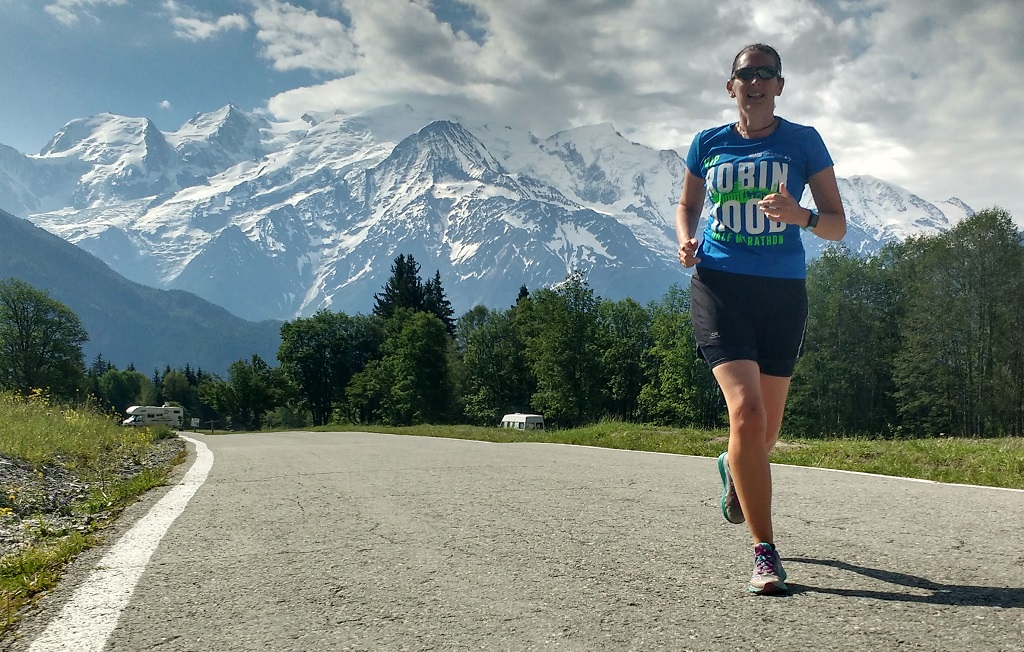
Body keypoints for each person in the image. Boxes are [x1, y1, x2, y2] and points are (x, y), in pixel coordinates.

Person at [675, 44, 847, 594]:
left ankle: (734, 469)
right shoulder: (708, 143)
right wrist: (685, 240)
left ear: (779, 86)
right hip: (720, 285)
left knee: (763, 434)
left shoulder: (803, 141)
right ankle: (765, 551)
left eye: (765, 74)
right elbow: (688, 205)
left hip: (782, 294)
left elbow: (837, 225)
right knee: (746, 414)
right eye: (745, 74)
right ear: (731, 87)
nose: (754, 81)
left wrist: (802, 216)